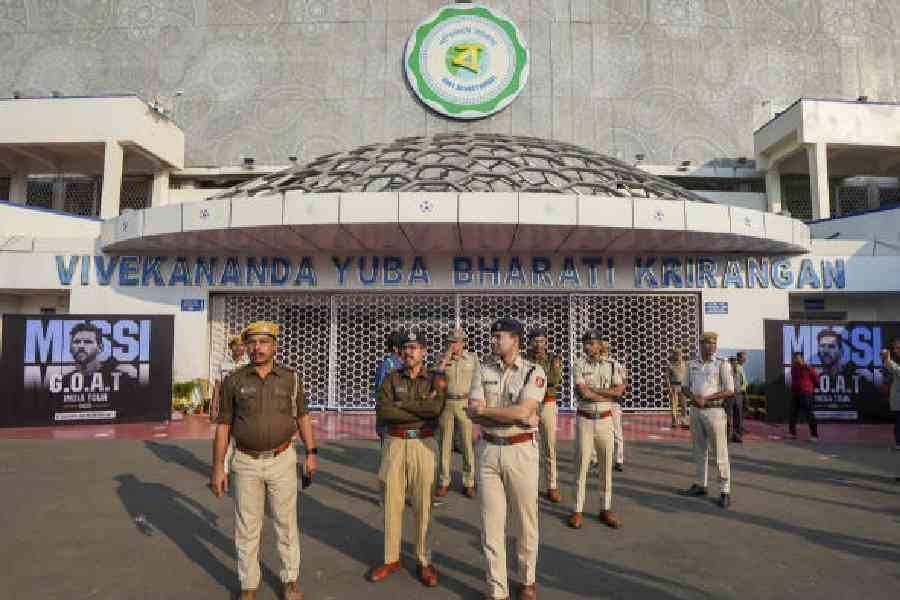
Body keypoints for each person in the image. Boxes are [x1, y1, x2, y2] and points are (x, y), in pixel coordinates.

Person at [211, 321, 318, 600]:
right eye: (252, 343)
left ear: (274, 346)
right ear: (246, 346)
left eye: (263, 342)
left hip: (282, 459)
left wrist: (311, 452)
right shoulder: (234, 381)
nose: (257, 348)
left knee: (286, 523)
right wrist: (218, 468)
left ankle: (290, 579)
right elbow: (223, 426)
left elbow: (303, 416)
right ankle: (248, 584)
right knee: (247, 526)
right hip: (245, 462)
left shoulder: (291, 378)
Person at [468, 319, 545, 600]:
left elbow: (524, 413)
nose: (492, 341)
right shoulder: (482, 369)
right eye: (492, 336)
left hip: (521, 450)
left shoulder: (532, 371)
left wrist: (488, 410)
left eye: (498, 337)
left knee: (526, 522)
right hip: (488, 450)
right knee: (491, 524)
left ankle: (527, 580)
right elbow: (472, 411)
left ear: (515, 340)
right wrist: (507, 412)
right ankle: (497, 589)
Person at [367, 330, 445, 587]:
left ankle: (424, 559)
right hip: (395, 443)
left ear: (424, 351)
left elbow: (434, 409)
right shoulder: (391, 377)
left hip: (424, 443)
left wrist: (402, 405)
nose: (408, 352)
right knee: (391, 501)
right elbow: (383, 410)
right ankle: (391, 558)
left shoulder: (435, 379)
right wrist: (417, 405)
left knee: (424, 504)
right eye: (405, 348)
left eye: (414, 347)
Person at [569, 331, 625, 530]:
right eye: (585, 343)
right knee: (582, 465)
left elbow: (619, 391)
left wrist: (596, 393)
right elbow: (583, 392)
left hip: (605, 421)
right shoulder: (579, 364)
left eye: (591, 343)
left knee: (606, 465)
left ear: (600, 345)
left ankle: (605, 508)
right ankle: (577, 509)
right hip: (585, 420)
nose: (587, 347)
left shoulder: (612, 365)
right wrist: (607, 395)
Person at [680, 331, 735, 509]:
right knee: (699, 450)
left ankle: (725, 490)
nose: (712, 346)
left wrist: (708, 398)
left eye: (714, 343)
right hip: (696, 411)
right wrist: (694, 397)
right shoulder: (692, 364)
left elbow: (729, 390)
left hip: (715, 412)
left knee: (720, 452)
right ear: (701, 344)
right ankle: (701, 485)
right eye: (708, 343)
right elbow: (684, 387)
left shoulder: (722, 364)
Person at [435, 327, 479, 498]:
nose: (452, 344)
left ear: (463, 342)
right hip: (447, 403)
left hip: (464, 403)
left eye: (455, 341)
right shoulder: (442, 358)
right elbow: (436, 376)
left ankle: (469, 482)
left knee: (467, 444)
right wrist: (446, 358)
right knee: (444, 444)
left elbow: (478, 381)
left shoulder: (472, 359)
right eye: (450, 342)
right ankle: (444, 481)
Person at [525, 327, 564, 503]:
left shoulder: (553, 359)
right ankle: (527, 486)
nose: (539, 344)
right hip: (529, 405)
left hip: (547, 404)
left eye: (542, 341)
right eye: (536, 341)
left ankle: (552, 486)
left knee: (549, 447)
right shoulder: (524, 359)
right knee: (527, 446)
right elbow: (522, 381)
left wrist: (538, 382)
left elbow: (555, 380)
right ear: (530, 342)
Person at [373, 331, 405, 444]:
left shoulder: (406, 364)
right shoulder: (387, 365)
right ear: (396, 348)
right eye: (404, 346)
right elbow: (381, 391)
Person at [789, 352, 820, 442]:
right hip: (795, 393)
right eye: (795, 358)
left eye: (798, 358)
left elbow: (816, 378)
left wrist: (811, 388)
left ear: (802, 358)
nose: (796, 359)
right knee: (792, 413)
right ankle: (792, 434)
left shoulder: (808, 367)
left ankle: (814, 435)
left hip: (806, 393)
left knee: (809, 414)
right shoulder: (793, 368)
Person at [880, 339, 900, 451]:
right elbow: (892, 369)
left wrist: (888, 360)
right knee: (897, 423)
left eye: (898, 348)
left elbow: (897, 370)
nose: (896, 351)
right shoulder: (897, 359)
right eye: (895, 348)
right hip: (897, 400)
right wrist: (886, 359)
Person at [728, 352, 748, 443]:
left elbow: (742, 382)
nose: (734, 365)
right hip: (729, 395)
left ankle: (737, 435)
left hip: (739, 394)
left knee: (738, 416)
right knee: (728, 416)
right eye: (733, 363)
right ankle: (727, 435)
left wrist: (742, 391)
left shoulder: (739, 369)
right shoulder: (727, 373)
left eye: (735, 363)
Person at [668, 349, 688, 429]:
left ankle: (684, 421)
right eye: (677, 354)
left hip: (683, 386)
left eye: (680, 354)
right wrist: (668, 387)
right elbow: (667, 377)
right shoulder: (670, 365)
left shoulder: (685, 364)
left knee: (684, 405)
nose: (679, 356)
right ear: (674, 355)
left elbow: (687, 376)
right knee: (674, 405)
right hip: (674, 386)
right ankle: (674, 421)